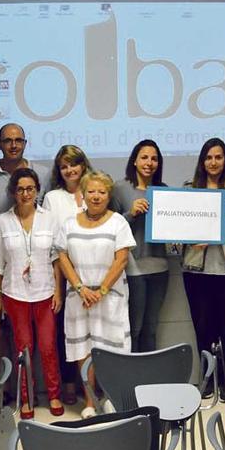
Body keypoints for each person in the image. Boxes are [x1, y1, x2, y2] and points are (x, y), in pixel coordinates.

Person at [0, 123, 50, 388]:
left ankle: (31, 386)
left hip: (38, 264)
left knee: (36, 332)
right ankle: (6, 388)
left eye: (18, 140)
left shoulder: (44, 174)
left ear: (25, 143)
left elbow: (51, 215)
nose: (13, 144)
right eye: (8, 140)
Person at [56, 171, 135, 419]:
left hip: (109, 297)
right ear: (83, 194)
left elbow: (121, 259)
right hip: (79, 299)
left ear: (108, 195)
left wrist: (100, 291)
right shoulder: (69, 224)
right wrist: (80, 288)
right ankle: (89, 401)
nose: (96, 196)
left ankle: (111, 398)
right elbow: (62, 257)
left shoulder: (118, 222)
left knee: (111, 349)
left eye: (102, 192)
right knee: (84, 351)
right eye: (91, 191)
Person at [0, 168, 63, 420]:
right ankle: (26, 397)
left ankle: (53, 394)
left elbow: (57, 258)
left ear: (37, 191)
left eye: (30, 189)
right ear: (13, 192)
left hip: (45, 292)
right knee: (23, 348)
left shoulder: (49, 218)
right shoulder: (3, 221)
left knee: (47, 346)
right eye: (20, 189)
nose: (25, 194)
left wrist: (59, 291)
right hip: (15, 293)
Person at [182, 138, 225, 402]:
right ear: (202, 161)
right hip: (196, 269)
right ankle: (207, 380)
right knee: (203, 328)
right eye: (209, 157)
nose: (213, 162)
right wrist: (188, 239)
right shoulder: (189, 189)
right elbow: (177, 228)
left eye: (218, 157)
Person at [42, 144, 94, 405]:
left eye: (74, 164)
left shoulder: (95, 191)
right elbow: (53, 243)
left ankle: (94, 386)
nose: (70, 170)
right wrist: (59, 286)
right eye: (64, 166)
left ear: (83, 165)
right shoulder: (52, 198)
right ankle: (69, 382)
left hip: (96, 272)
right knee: (67, 333)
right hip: (65, 272)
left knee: (95, 333)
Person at [111, 139, 168, 352]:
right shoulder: (119, 188)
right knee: (134, 328)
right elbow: (109, 228)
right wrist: (131, 213)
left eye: (154, 159)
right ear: (134, 160)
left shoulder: (163, 190)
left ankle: (150, 378)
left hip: (160, 267)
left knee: (151, 328)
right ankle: (133, 378)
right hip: (133, 268)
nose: (149, 162)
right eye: (144, 157)